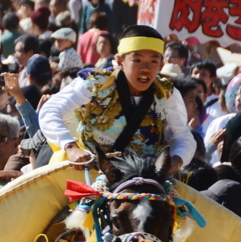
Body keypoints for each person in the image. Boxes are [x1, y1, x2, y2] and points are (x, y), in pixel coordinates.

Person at [38, 25, 195, 172]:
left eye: (153, 61)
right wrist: (71, 148)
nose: (146, 68)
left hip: (145, 178)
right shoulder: (95, 83)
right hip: (90, 171)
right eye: (137, 60)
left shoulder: (167, 93)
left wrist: (176, 161)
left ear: (161, 65)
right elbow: (50, 109)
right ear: (120, 61)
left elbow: (183, 136)